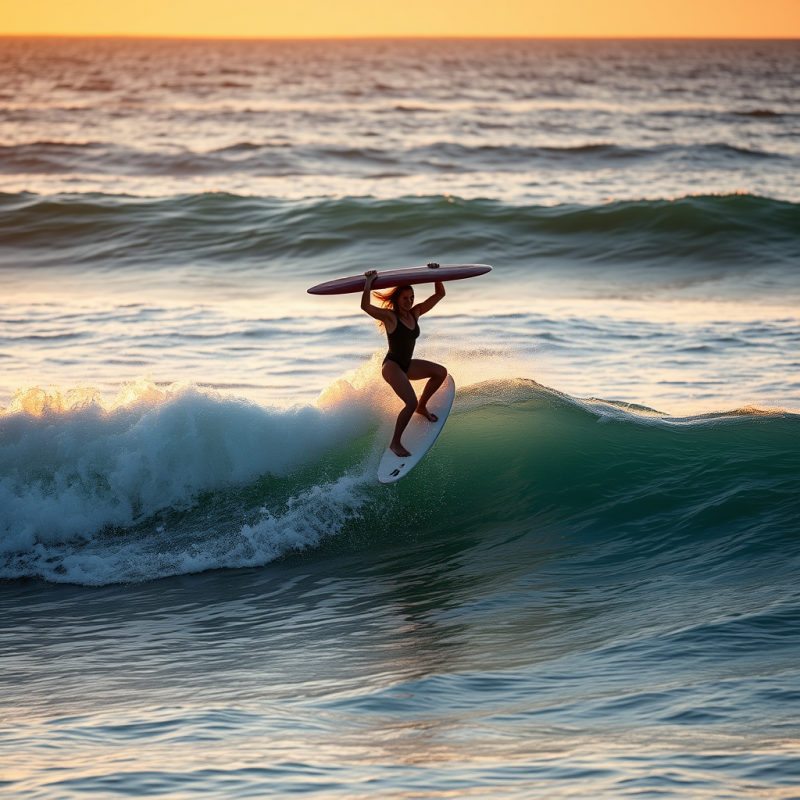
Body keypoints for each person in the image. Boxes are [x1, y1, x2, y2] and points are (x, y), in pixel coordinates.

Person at [361, 265, 448, 458]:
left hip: (406, 364)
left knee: (440, 372)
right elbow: (366, 307)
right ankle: (395, 443)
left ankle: (422, 406)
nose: (409, 301)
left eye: (412, 298)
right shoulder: (391, 317)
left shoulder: (415, 313)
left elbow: (439, 294)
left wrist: (436, 275)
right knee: (409, 402)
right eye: (405, 298)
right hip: (391, 366)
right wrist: (368, 283)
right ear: (397, 300)